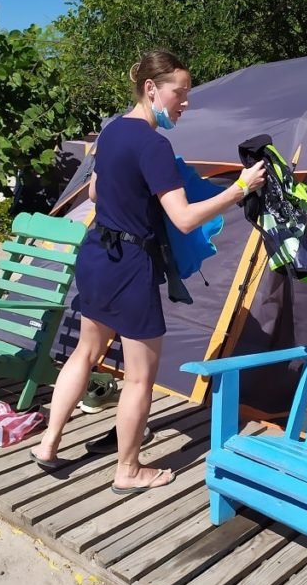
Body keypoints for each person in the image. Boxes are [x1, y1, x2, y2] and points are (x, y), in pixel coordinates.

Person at [30, 50, 266, 494]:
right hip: (130, 266)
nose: (186, 102)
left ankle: (48, 444)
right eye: (181, 92)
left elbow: (98, 192)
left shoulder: (112, 130)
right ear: (152, 88)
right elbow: (183, 219)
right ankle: (128, 469)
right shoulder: (154, 144)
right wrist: (239, 188)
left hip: (97, 254)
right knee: (140, 376)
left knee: (85, 352)